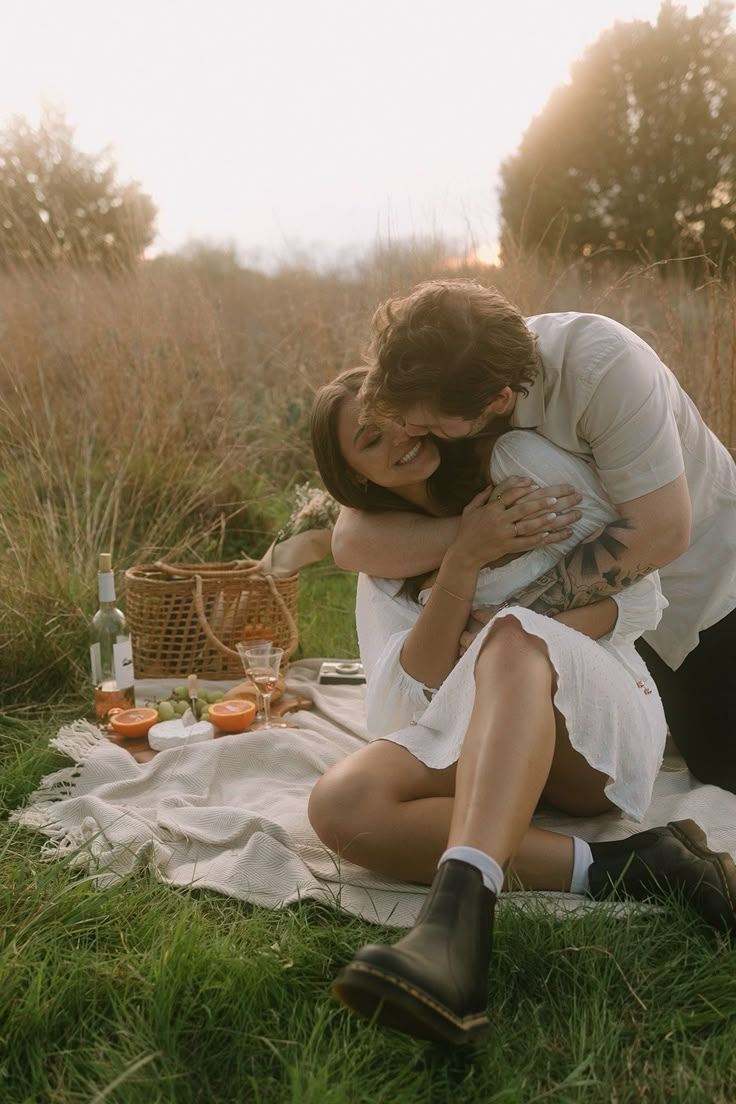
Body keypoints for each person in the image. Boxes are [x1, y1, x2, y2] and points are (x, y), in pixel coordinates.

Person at [307, 367, 736, 1047]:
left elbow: (640, 599)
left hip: (595, 717)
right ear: (357, 477)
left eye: (394, 414)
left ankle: (453, 934)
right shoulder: (381, 551)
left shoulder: (520, 467)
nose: (396, 437)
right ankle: (630, 868)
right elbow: (400, 704)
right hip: (471, 725)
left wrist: (528, 628)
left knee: (511, 639)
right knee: (342, 805)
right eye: (369, 437)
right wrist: (464, 556)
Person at [332, 280, 736, 792]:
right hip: (612, 631)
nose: (410, 429)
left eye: (426, 424)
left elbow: (662, 533)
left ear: (497, 402)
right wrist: (473, 538)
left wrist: (506, 624)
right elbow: (349, 539)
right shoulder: (446, 368)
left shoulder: (603, 366)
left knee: (720, 767)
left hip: (706, 596)